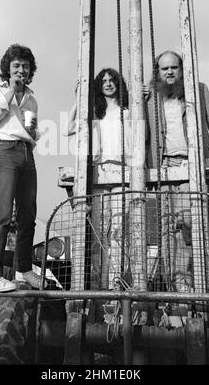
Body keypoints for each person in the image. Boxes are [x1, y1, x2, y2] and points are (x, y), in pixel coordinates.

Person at [145, 50, 209, 292]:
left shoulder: (198, 90)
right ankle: (182, 291)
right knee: (169, 233)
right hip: (164, 168)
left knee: (199, 226)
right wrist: (136, 97)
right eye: (163, 68)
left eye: (173, 67)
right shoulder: (151, 97)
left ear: (181, 68)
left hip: (192, 165)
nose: (168, 72)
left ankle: (207, 289)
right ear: (158, 71)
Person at [0, 44, 41, 292]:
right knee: (3, 212)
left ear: (30, 70)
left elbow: (32, 131)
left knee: (28, 215)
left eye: (25, 66)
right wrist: (11, 92)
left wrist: (33, 132)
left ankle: (23, 270)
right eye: (16, 65)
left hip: (26, 152)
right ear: (8, 68)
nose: (21, 70)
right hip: (5, 150)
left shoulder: (32, 98)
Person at [66, 68, 131, 289]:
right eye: (104, 81)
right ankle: (97, 283)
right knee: (99, 231)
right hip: (99, 174)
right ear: (98, 86)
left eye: (112, 80)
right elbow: (69, 128)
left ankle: (115, 281)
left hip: (122, 173)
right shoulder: (94, 112)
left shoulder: (127, 112)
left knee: (118, 231)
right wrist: (78, 100)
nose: (108, 84)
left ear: (118, 84)